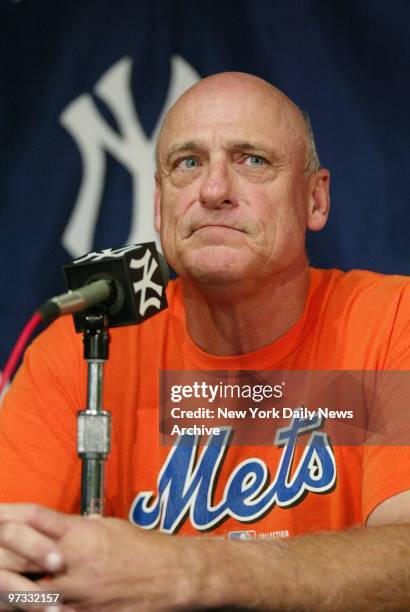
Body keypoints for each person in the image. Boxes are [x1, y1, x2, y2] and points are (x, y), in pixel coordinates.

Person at [0, 71, 409, 611]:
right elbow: (16, 574)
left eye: (252, 160)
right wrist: (42, 599)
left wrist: (190, 572)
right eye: (187, 163)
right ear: (159, 203)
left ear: (315, 199)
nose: (214, 191)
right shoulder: (79, 350)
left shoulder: (389, 321)